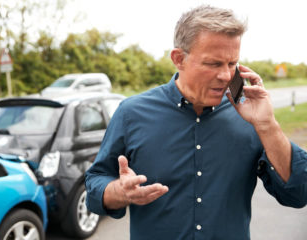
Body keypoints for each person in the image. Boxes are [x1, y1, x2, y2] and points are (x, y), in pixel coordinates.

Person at [85, 5, 307, 240]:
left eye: (232, 64)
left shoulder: (251, 117)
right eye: (213, 64)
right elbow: (95, 182)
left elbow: (298, 193)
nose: (225, 75)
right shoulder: (131, 113)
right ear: (179, 59)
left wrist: (267, 125)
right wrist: (119, 192)